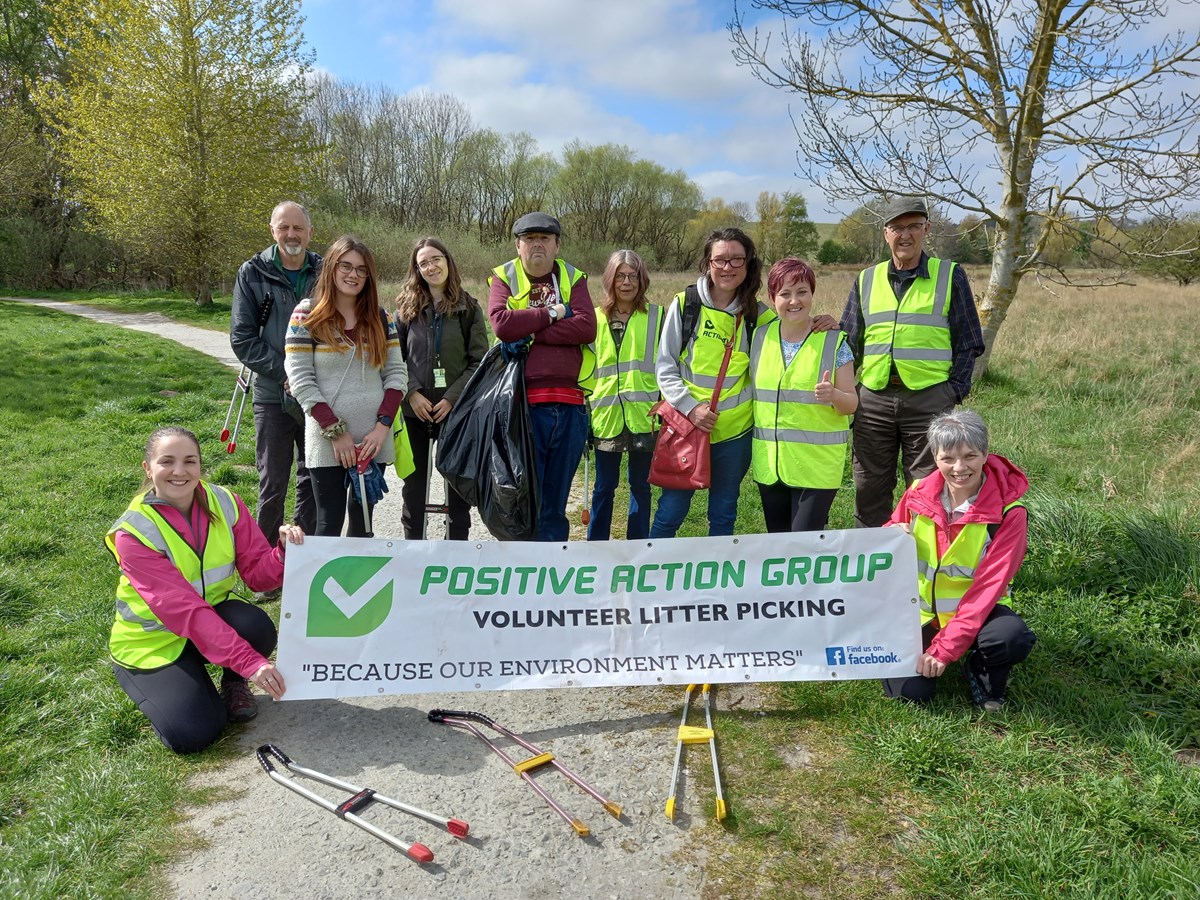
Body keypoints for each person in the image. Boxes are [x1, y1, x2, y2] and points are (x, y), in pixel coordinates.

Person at [107, 426, 304, 754]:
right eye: (167, 462)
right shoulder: (133, 532)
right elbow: (183, 609)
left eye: (190, 461)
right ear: (147, 468)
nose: (179, 472)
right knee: (195, 734)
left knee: (258, 628)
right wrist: (250, 662)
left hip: (206, 621)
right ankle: (186, 679)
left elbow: (257, 576)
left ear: (200, 465)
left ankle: (230, 680)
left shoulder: (225, 502)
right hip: (149, 642)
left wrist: (284, 552)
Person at [839, 196, 985, 528]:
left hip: (929, 398)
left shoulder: (949, 276)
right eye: (897, 228)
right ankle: (873, 561)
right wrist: (848, 392)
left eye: (913, 227)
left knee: (928, 485)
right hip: (873, 399)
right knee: (868, 485)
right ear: (885, 233)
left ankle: (923, 563)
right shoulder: (866, 279)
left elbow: (969, 342)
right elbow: (848, 345)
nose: (905, 235)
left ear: (926, 229)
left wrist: (952, 393)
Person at [882, 409, 1035, 711]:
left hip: (980, 612)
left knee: (1010, 638)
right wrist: (891, 534)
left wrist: (944, 649)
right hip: (920, 611)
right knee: (911, 693)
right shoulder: (916, 492)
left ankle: (981, 665)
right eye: (948, 458)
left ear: (985, 453)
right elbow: (890, 540)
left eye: (970, 456)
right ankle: (923, 652)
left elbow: (986, 591)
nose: (959, 467)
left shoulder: (1009, 513)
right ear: (935, 458)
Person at [284, 236, 407, 537]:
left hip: (372, 440)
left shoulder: (381, 317)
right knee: (328, 522)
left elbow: (396, 374)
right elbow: (300, 378)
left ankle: (359, 585)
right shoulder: (306, 315)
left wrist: (382, 429)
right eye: (346, 266)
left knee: (363, 525)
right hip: (328, 439)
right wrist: (336, 432)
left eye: (361, 270)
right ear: (331, 268)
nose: (353, 275)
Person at [488, 212, 597, 542]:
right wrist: (554, 313)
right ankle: (520, 576)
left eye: (545, 238)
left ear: (557, 245)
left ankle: (550, 579)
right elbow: (501, 325)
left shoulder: (573, 277)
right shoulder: (503, 276)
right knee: (521, 500)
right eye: (530, 238)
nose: (538, 244)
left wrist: (531, 330)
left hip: (570, 407)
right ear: (518, 245)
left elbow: (586, 327)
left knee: (554, 503)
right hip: (522, 408)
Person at [649, 227, 760, 538]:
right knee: (670, 511)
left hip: (734, 435)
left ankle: (716, 585)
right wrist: (690, 408)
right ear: (707, 263)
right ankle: (650, 577)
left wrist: (825, 324)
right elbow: (665, 365)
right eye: (720, 260)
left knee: (723, 514)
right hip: (686, 428)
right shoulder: (686, 304)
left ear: (748, 263)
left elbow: (794, 331)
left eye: (736, 260)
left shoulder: (758, 315)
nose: (727, 268)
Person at [230, 201, 321, 559]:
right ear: (273, 231)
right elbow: (242, 339)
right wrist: (287, 371)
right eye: (284, 228)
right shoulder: (252, 273)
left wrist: (307, 377)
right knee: (272, 484)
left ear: (310, 233)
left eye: (298, 228)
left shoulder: (326, 270)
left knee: (312, 479)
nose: (291, 234)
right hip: (271, 394)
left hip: (317, 394)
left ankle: (302, 561)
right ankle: (264, 565)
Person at [750, 258, 858, 532]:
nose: (794, 301)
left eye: (802, 292)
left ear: (812, 294)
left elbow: (851, 404)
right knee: (778, 545)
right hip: (770, 466)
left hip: (816, 470)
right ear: (772, 298)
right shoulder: (759, 338)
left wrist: (834, 394)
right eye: (785, 294)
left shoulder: (834, 341)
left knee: (803, 547)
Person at [394, 237, 488, 540]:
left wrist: (452, 397)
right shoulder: (405, 308)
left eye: (435, 259)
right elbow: (395, 357)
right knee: (414, 490)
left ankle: (455, 554)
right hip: (414, 412)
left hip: (456, 414)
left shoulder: (469, 308)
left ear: (447, 261)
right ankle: (413, 555)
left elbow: (479, 362)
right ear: (417, 269)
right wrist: (412, 392)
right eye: (423, 263)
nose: (430, 266)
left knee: (458, 491)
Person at [587, 249, 661, 541]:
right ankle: (596, 547)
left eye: (633, 276)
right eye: (620, 276)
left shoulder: (658, 317)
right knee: (604, 487)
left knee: (641, 487)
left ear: (641, 280)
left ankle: (638, 547)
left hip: (645, 418)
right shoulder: (593, 319)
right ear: (610, 280)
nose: (627, 282)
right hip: (606, 417)